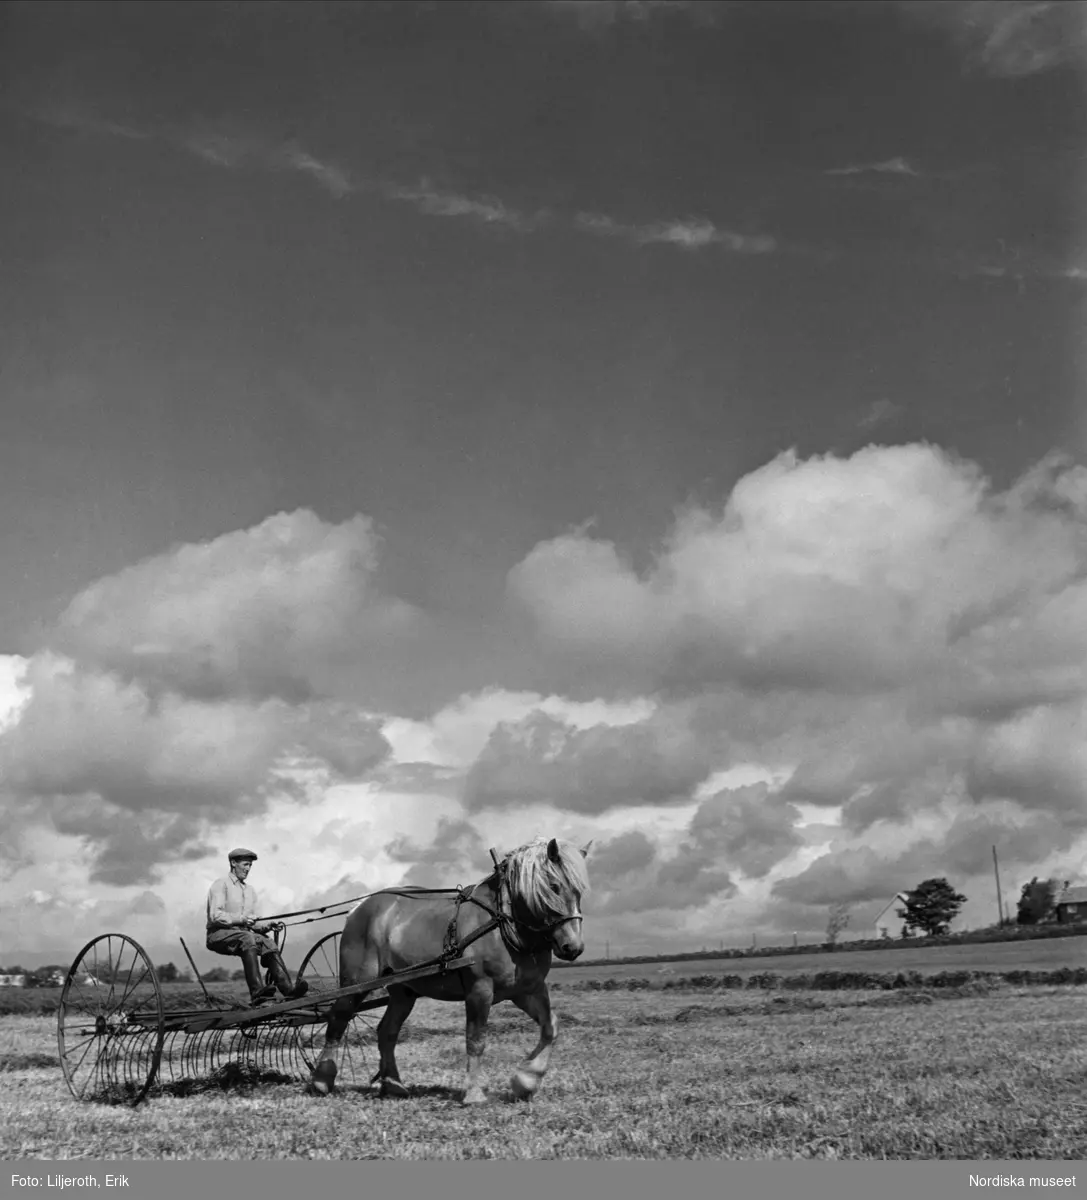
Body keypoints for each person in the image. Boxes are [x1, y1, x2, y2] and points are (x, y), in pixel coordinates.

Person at [205, 848, 308, 1005]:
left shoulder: (250, 891)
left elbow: (253, 923)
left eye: (250, 866)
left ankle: (289, 991)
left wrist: (268, 925)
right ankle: (257, 993)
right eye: (245, 864)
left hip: (244, 935)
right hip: (218, 934)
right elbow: (215, 916)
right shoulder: (220, 885)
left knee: (268, 943)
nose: (248, 869)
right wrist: (242, 919)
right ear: (233, 863)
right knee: (248, 938)